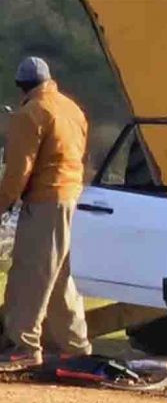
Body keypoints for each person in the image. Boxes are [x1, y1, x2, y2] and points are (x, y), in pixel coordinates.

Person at [0, 57, 92, 371]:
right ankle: (75, 347)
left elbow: (18, 171)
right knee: (59, 278)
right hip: (70, 198)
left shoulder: (30, 114)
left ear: (21, 87)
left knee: (30, 274)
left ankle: (23, 346)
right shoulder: (71, 108)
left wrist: (2, 203)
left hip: (45, 201)